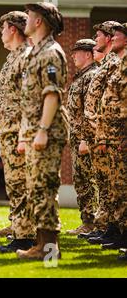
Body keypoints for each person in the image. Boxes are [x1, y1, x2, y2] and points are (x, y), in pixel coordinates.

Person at [15, 2, 67, 260]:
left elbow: (52, 94)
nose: (26, 19)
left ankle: (49, 250)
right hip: (35, 131)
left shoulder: (51, 54)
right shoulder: (35, 53)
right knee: (36, 189)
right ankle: (41, 244)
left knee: (45, 188)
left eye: (30, 16)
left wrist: (43, 130)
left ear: (39, 22)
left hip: (47, 131)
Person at [0, 11, 36, 253]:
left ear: (14, 30)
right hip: (9, 130)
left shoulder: (26, 58)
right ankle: (20, 229)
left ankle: (25, 237)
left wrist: (25, 135)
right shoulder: (14, 58)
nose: (1, 33)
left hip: (18, 132)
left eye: (4, 28)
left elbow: (31, 99)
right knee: (15, 183)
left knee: (21, 183)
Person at [80, 21, 124, 244]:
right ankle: (109, 228)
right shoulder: (109, 62)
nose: (95, 38)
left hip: (111, 133)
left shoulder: (115, 62)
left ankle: (114, 229)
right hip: (100, 133)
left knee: (114, 185)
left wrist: (103, 133)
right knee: (107, 184)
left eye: (99, 35)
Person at [90, 22, 126, 253]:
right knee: (113, 186)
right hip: (107, 134)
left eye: (116, 35)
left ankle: (119, 231)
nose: (112, 39)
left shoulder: (118, 63)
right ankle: (115, 229)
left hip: (117, 135)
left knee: (120, 187)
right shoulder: (117, 63)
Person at [65, 39, 99, 235]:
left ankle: (92, 223)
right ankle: (88, 222)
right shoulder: (81, 77)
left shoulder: (91, 76)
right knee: (81, 180)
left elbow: (90, 110)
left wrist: (86, 139)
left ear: (88, 54)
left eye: (76, 52)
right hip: (77, 137)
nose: (73, 56)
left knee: (88, 180)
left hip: (85, 139)